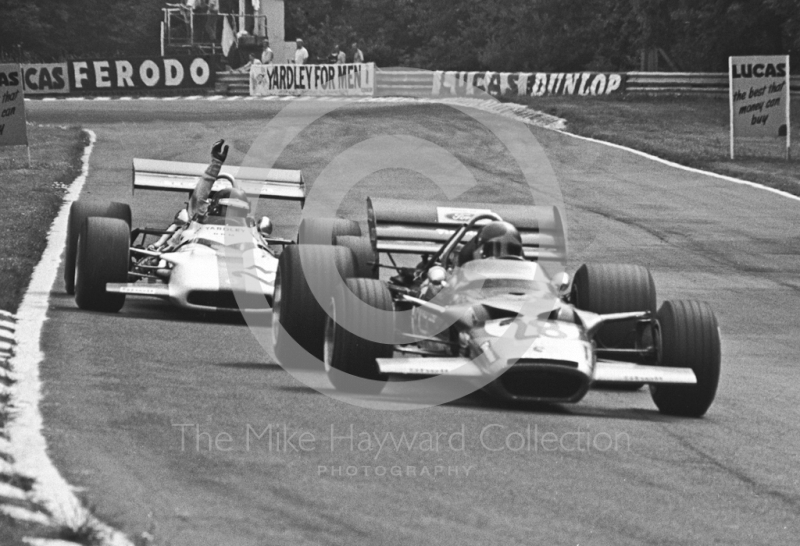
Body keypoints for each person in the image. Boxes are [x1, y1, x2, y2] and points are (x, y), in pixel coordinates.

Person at [149, 140, 231, 250]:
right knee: (183, 218)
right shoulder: (202, 216)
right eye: (227, 207)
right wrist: (216, 164)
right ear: (217, 207)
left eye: (235, 208)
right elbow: (199, 195)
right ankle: (160, 247)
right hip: (195, 251)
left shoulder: (247, 229)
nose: (230, 211)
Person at [458, 221, 524, 264]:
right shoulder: (465, 278)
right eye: (495, 249)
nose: (503, 254)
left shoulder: (525, 276)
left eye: (511, 250)